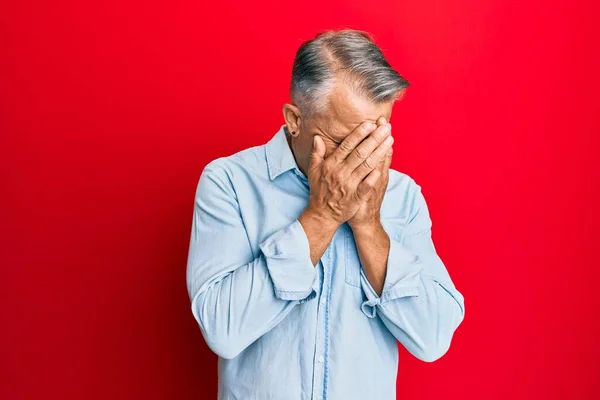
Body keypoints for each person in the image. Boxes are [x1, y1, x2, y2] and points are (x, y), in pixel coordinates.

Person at [186, 29, 465, 400]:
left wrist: (368, 225)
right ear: (294, 120)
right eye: (343, 142)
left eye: (374, 139)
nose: (362, 159)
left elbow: (432, 338)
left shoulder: (403, 196)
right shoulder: (229, 183)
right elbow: (223, 329)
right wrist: (323, 215)